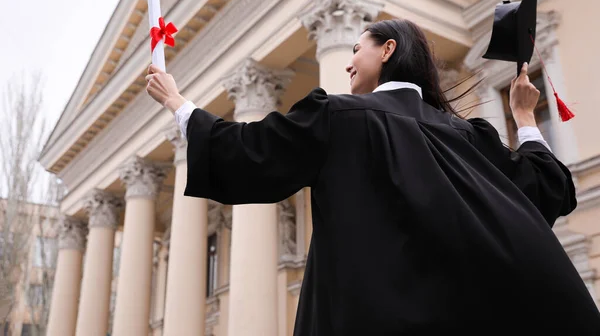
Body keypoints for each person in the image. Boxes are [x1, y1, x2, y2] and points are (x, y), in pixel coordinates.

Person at [146, 18, 600, 334]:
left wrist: (178, 104)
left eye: (357, 49)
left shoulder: (339, 117)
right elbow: (545, 188)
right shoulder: (467, 136)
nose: (347, 62)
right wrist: (523, 116)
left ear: (388, 50)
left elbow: (250, 150)